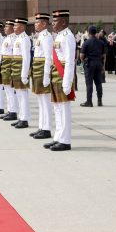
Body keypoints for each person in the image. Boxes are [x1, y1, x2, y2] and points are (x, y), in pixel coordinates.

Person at [45, 10, 77, 151]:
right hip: (56, 73)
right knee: (57, 108)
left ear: (63, 22)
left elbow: (70, 61)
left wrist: (67, 82)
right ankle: (58, 137)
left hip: (63, 74)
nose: (52, 23)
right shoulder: (58, 36)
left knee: (64, 109)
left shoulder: (68, 36)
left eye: (55, 21)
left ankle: (65, 140)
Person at [30, 13, 53, 139]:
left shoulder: (46, 37)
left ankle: (47, 128)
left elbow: (48, 57)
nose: (35, 24)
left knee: (45, 102)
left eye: (37, 22)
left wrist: (46, 76)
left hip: (43, 69)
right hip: (37, 68)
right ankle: (41, 126)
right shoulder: (40, 36)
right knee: (40, 101)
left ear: (44, 24)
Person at [10, 18, 31, 129]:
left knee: (23, 95)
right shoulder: (18, 38)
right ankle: (21, 117)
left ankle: (24, 119)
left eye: (16, 25)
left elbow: (26, 57)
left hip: (21, 69)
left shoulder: (24, 39)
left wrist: (24, 74)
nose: (14, 27)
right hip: (16, 68)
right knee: (18, 94)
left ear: (22, 27)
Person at [80, 25, 105, 107]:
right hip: (98, 63)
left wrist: (83, 62)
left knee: (89, 83)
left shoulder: (86, 42)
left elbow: (81, 55)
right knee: (98, 83)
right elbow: (104, 55)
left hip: (89, 64)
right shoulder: (101, 42)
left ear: (88, 33)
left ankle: (89, 101)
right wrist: (103, 66)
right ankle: (100, 101)